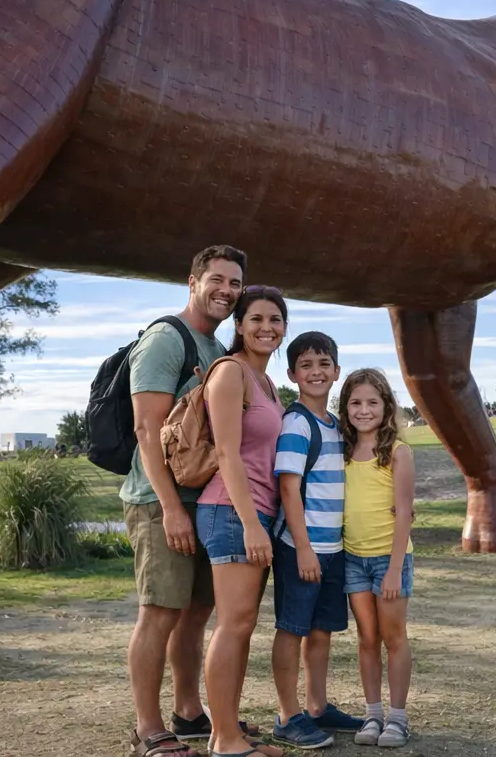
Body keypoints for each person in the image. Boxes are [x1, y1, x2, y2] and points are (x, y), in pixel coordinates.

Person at [123, 245, 245, 757]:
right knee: (159, 613)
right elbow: (146, 429)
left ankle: (189, 713)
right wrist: (171, 507)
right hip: (160, 501)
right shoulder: (165, 339)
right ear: (192, 281)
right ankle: (148, 728)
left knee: (195, 613)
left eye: (235, 284)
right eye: (217, 279)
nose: (226, 291)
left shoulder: (214, 349)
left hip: (204, 501)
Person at [196, 285, 289, 757]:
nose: (266, 327)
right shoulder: (231, 373)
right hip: (232, 512)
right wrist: (252, 525)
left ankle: (225, 733)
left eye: (275, 319)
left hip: (254, 512)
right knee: (233, 624)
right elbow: (227, 452)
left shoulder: (267, 383)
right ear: (238, 325)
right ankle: (226, 740)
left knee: (242, 624)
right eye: (256, 319)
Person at [269, 332, 363, 750]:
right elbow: (289, 490)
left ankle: (318, 707)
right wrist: (303, 547)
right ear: (292, 374)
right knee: (292, 629)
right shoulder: (297, 422)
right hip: (300, 548)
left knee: (321, 631)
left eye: (324, 364)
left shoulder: (335, 425)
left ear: (337, 372)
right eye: (306, 365)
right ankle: (288, 715)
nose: (316, 372)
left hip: (334, 550)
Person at [341, 369, 416, 748]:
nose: (364, 410)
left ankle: (398, 719)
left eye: (372, 402)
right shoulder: (342, 450)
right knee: (366, 638)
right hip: (353, 559)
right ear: (346, 407)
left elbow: (404, 513)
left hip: (390, 559)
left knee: (393, 637)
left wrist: (393, 570)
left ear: (386, 406)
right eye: (356, 402)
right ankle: (372, 715)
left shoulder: (397, 452)